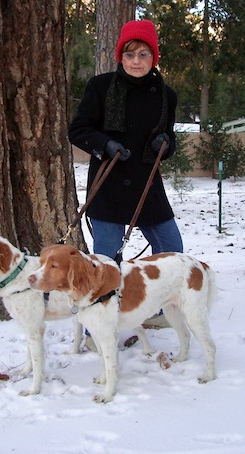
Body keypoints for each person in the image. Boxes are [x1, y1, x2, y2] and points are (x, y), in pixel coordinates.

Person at [68, 19, 183, 335]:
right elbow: (77, 129)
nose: (136, 61)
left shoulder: (165, 95)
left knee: (172, 247)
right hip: (108, 184)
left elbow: (168, 137)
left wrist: (166, 144)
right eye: (130, 54)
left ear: (153, 57)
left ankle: (157, 307)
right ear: (121, 56)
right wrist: (104, 143)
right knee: (105, 261)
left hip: (147, 186)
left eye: (143, 54)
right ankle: (98, 326)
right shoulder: (101, 87)